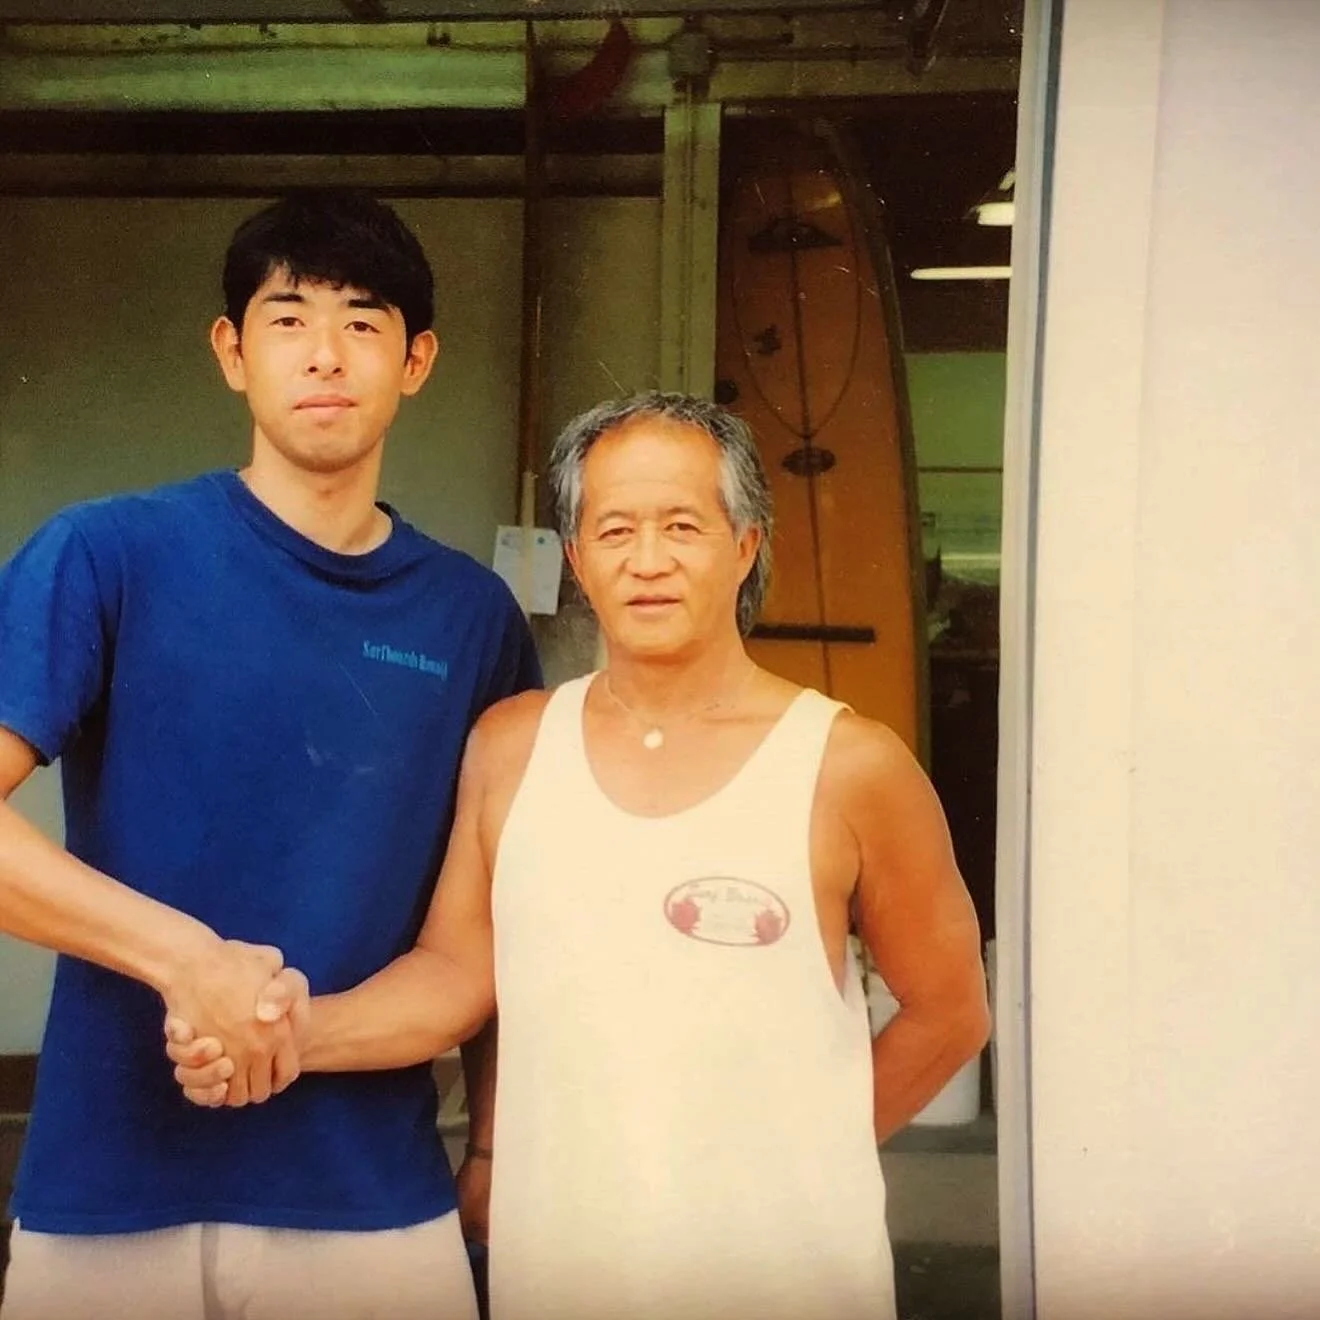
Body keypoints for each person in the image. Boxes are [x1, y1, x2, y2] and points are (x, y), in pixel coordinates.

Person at [171, 391, 990, 1320]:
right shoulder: (514, 744)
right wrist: (285, 1034)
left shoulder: (848, 762)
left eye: (683, 526)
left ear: (746, 546)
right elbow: (452, 974)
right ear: (576, 560)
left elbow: (951, 1013)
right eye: (613, 531)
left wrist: (810, 1154)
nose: (647, 562)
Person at [0, 189, 540, 1320]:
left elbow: (484, 939)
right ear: (231, 352)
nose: (326, 354)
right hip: (106, 1190)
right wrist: (185, 958)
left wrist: (490, 1145)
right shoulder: (108, 554)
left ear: (419, 359)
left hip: (369, 1203)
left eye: (364, 319)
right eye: (288, 318)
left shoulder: (472, 618)